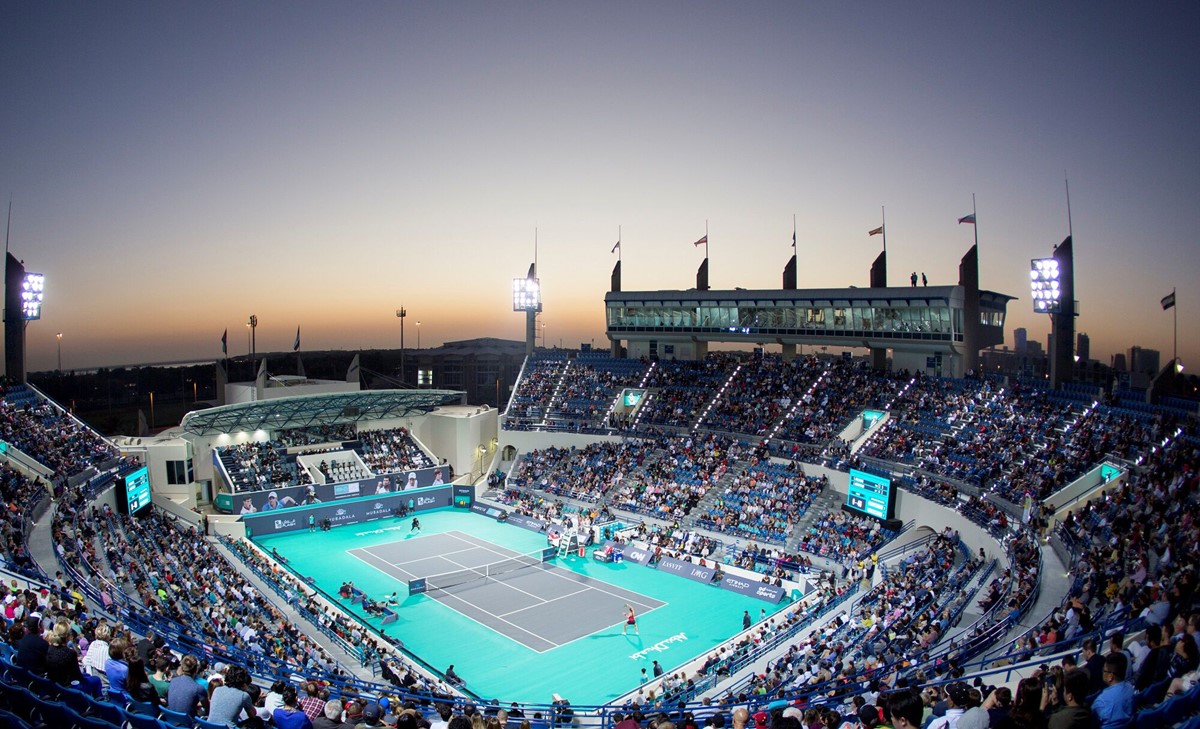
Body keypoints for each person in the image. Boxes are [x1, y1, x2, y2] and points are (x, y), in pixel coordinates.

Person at [1091, 653, 1134, 729]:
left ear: (1110, 676)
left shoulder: (1101, 701)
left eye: (1104, 670)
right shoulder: (1130, 688)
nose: (1102, 672)